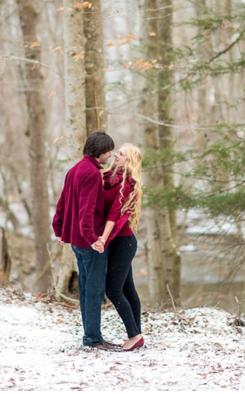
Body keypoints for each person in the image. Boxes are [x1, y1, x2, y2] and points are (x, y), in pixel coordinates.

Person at [52, 130, 120, 351]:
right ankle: (92, 339)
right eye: (109, 151)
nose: (110, 155)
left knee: (85, 288)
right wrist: (94, 240)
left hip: (77, 242)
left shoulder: (74, 170)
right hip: (89, 243)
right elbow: (86, 212)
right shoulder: (91, 173)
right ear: (100, 150)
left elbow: (62, 202)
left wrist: (60, 230)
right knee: (94, 290)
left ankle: (91, 336)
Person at [93, 144, 144, 352]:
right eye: (117, 152)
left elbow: (115, 214)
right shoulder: (108, 177)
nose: (116, 155)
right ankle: (137, 334)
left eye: (121, 154)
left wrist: (103, 239)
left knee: (113, 290)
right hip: (117, 242)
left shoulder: (128, 183)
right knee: (128, 289)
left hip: (123, 242)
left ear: (129, 160)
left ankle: (134, 335)